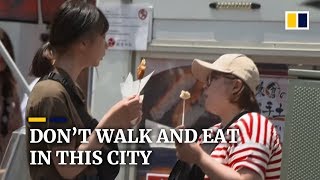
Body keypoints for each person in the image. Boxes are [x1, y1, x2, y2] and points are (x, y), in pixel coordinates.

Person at [26, 1, 142, 180]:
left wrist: (119, 123)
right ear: (83, 43)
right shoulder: (51, 94)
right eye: (103, 36)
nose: (107, 45)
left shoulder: (67, 88)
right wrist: (107, 125)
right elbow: (68, 166)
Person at [174, 54, 282, 180]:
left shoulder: (253, 123)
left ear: (236, 87)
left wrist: (199, 158)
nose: (204, 86)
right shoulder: (212, 133)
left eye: (211, 79)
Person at [0, 27, 22, 163]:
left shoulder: (12, 89)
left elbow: (18, 128)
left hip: (6, 166)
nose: (2, 57)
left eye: (5, 51)